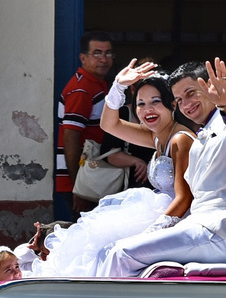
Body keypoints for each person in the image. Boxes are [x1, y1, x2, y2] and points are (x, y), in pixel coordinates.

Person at [95, 60, 226, 278]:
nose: (186, 104)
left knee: (122, 254)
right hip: (202, 227)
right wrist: (118, 86)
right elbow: (110, 126)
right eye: (179, 99)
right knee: (114, 249)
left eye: (191, 93)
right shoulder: (201, 133)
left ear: (210, 87)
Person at [36, 69, 193, 277]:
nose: (148, 109)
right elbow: (108, 124)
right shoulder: (156, 136)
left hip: (178, 217)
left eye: (155, 101)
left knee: (110, 251)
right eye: (141, 103)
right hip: (158, 211)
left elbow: (184, 197)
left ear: (172, 104)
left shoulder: (180, 139)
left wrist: (150, 234)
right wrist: (118, 86)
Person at [55, 32, 146, 220]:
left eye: (108, 53)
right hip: (85, 179)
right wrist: (79, 188)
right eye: (97, 53)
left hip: (95, 177)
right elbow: (70, 136)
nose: (104, 59)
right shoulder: (81, 89)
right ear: (83, 58)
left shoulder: (100, 85)